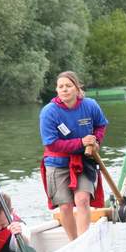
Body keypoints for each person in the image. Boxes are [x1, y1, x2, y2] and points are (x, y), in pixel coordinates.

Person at [39, 71, 108, 240]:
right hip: (57, 162)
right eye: (61, 86)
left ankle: (83, 240)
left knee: (83, 199)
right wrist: (81, 142)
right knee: (65, 206)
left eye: (68, 86)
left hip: (84, 161)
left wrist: (96, 141)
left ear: (77, 89)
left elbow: (101, 125)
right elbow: (51, 143)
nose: (65, 90)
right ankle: (73, 241)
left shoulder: (90, 105)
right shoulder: (49, 112)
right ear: (56, 90)